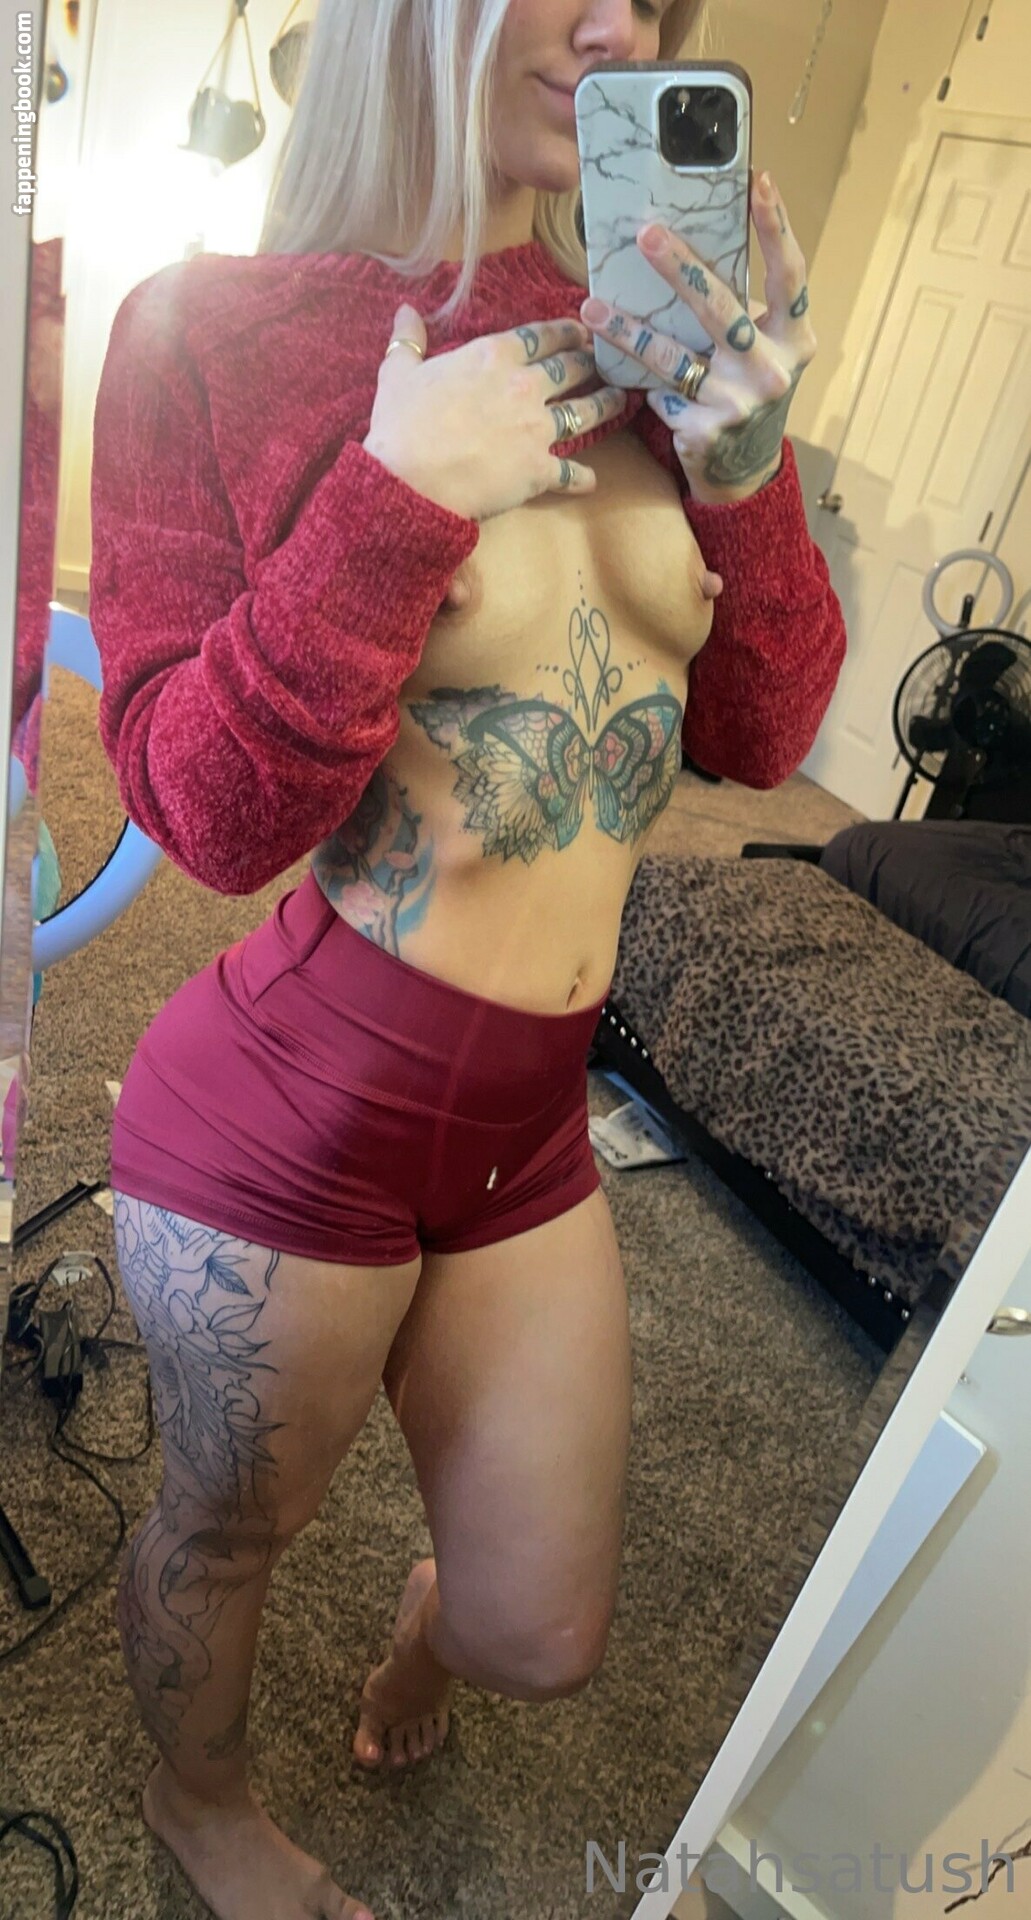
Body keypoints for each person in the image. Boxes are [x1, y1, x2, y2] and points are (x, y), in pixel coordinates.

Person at [88, 2, 845, 1916]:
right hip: (289, 1108)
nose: (618, 27)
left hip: (532, 1124)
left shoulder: (650, 336)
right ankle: (198, 1806)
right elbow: (200, 814)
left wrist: (748, 470)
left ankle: (426, 1627)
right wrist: (398, 496)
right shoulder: (207, 331)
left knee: (537, 1634)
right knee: (226, 1532)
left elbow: (768, 737)